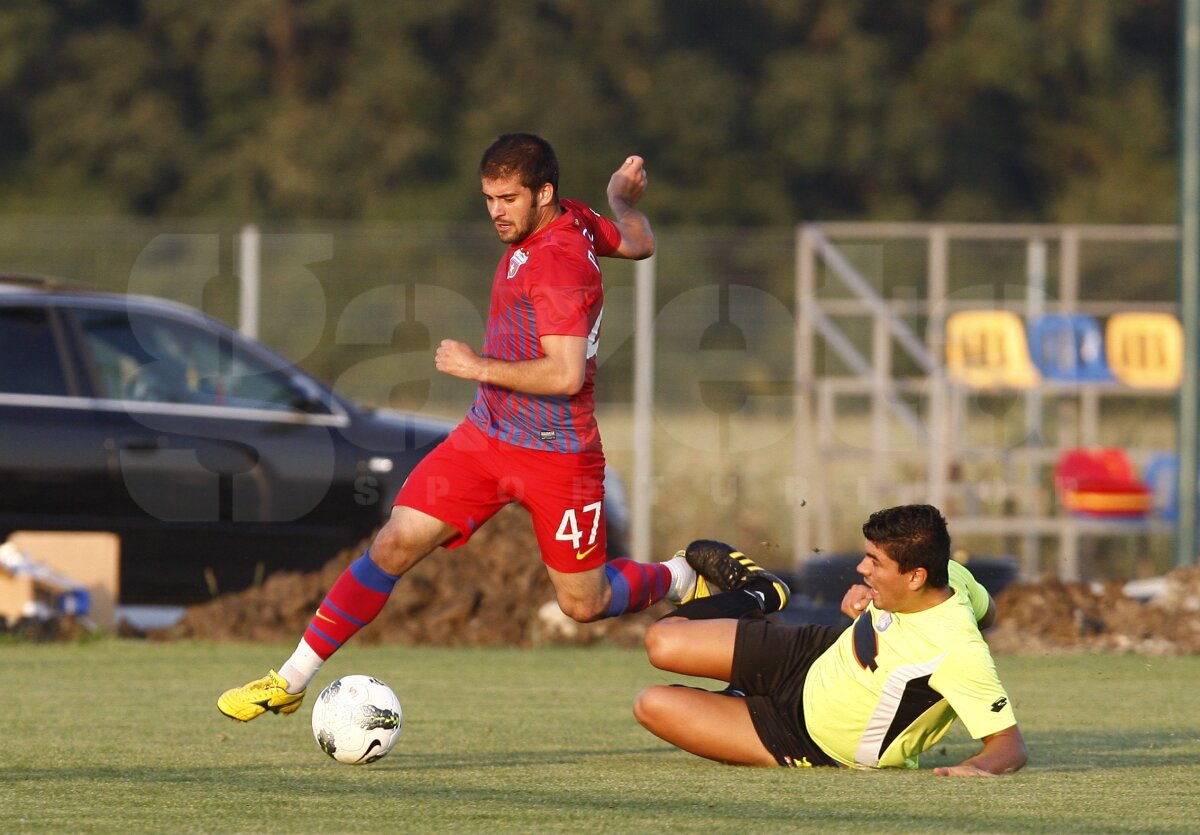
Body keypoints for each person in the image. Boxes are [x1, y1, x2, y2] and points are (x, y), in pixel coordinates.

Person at [218, 133, 703, 721]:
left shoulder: (560, 263)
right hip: (486, 438)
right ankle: (290, 678)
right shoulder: (574, 217)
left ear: (543, 194)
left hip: (557, 454)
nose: (496, 211)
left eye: (508, 198)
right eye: (488, 198)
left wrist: (476, 366)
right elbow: (639, 242)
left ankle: (682, 575)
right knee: (393, 544)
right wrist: (620, 199)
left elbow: (566, 374)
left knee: (584, 603)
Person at [633, 504, 1028, 775]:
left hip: (805, 738)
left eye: (875, 562)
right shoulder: (952, 576)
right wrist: (865, 613)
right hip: (812, 656)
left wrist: (977, 767)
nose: (860, 568)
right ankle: (761, 592)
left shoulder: (958, 652)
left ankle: (740, 703)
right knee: (661, 642)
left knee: (651, 704)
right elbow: (986, 611)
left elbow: (1010, 745)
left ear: (916, 577)